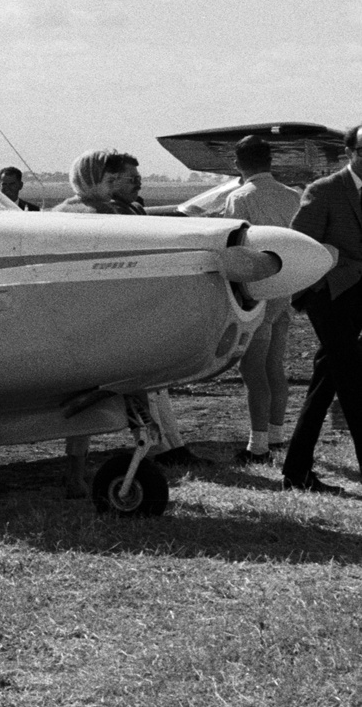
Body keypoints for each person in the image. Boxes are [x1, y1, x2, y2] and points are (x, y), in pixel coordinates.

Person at [53, 149, 206, 496]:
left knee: (93, 405)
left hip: (94, 322)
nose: (115, 186)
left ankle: (84, 473)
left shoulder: (71, 211)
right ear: (92, 178)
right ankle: (141, 459)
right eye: (110, 180)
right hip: (99, 324)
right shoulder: (94, 216)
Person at [279, 126, 362, 495]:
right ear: (348, 153)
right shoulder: (325, 191)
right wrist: (316, 289)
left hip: (360, 295)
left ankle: (296, 470)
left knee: (327, 378)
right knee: (352, 378)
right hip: (329, 295)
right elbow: (302, 247)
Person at [220, 136, 301, 466]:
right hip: (287, 289)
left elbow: (232, 246)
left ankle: (258, 446)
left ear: (238, 164)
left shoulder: (238, 198)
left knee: (253, 371)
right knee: (274, 368)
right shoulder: (293, 196)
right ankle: (277, 436)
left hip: (258, 293)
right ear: (271, 161)